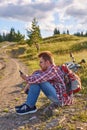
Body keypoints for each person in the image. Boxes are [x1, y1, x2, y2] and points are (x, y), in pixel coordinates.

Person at [15, 51, 73, 115]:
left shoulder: (52, 70)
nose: (39, 64)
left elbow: (38, 79)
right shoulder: (50, 69)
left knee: (39, 81)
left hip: (61, 100)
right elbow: (37, 73)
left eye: (41, 62)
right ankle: (29, 105)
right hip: (59, 97)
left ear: (47, 62)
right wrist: (29, 83)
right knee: (37, 78)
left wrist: (26, 78)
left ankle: (30, 106)